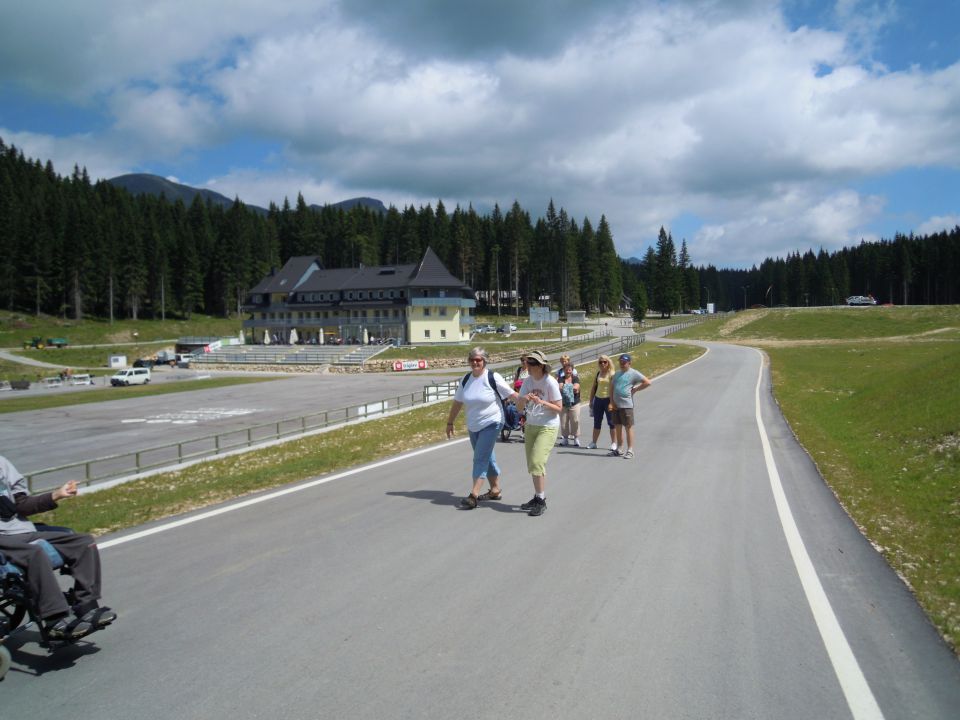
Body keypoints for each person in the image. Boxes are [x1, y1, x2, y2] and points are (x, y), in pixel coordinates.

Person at [0, 454, 117, 640]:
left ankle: (86, 605)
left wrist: (57, 495)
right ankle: (55, 620)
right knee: (35, 553)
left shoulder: (2, 463)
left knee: (84, 542)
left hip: (20, 530)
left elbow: (22, 505)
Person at [446, 348, 518, 509]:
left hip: (493, 421)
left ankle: (474, 495)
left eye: (478, 359)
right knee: (487, 455)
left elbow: (511, 394)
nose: (475, 362)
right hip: (473, 425)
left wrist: (527, 401)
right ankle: (495, 490)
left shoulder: (492, 377)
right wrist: (450, 422)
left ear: (484, 361)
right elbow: (458, 402)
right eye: (472, 359)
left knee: (480, 457)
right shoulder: (466, 379)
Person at [515, 350, 562, 517]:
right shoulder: (527, 381)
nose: (528, 366)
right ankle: (537, 496)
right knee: (533, 465)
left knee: (537, 461)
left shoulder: (550, 382)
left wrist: (541, 401)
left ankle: (541, 500)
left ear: (541, 366)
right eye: (528, 362)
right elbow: (519, 408)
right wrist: (524, 399)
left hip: (547, 426)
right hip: (531, 425)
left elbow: (558, 408)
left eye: (532, 363)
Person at [608, 354, 652, 459]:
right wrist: (611, 402)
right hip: (616, 405)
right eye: (621, 362)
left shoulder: (633, 373)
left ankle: (630, 450)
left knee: (628, 427)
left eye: (624, 362)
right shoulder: (616, 374)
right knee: (618, 427)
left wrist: (636, 389)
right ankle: (619, 449)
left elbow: (647, 382)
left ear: (629, 363)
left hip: (626, 405)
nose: (622, 364)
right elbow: (611, 388)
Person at [587, 354, 616, 450]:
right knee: (597, 422)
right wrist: (591, 401)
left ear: (608, 363)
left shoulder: (612, 374)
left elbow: (615, 389)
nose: (602, 363)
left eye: (605, 362)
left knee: (611, 422)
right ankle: (593, 443)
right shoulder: (598, 373)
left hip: (609, 400)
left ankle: (614, 443)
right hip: (598, 400)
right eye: (600, 362)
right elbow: (593, 388)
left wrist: (613, 402)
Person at [556, 354, 581, 447]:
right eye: (566, 370)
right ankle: (565, 438)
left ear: (572, 370)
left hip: (575, 402)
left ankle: (576, 438)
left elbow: (576, 387)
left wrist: (565, 387)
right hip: (563, 402)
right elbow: (560, 387)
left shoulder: (575, 378)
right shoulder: (561, 378)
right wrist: (570, 387)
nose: (568, 371)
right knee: (564, 421)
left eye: (569, 369)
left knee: (575, 420)